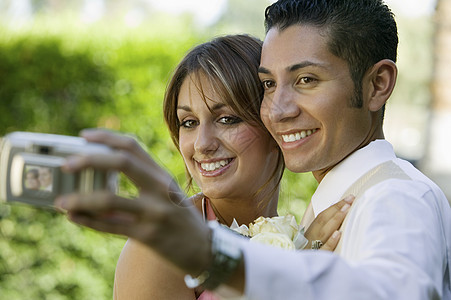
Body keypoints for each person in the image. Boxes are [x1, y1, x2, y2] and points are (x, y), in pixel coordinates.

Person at [56, 0, 451, 299]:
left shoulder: (395, 197)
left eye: (307, 79)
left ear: (378, 84)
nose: (279, 109)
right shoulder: (329, 208)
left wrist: (218, 256)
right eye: (268, 85)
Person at [79, 35, 351, 300]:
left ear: (274, 121)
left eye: (227, 119)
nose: (202, 144)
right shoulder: (161, 247)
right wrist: (294, 277)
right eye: (188, 122)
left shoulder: (307, 231)